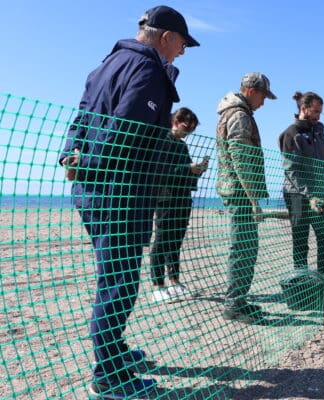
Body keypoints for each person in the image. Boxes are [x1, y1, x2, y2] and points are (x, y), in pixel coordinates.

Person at [58, 5, 199, 398]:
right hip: (122, 190)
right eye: (183, 44)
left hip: (90, 190)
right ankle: (109, 377)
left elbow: (81, 116)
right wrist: (91, 160)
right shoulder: (148, 69)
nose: (183, 52)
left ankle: (115, 352)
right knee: (118, 282)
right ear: (166, 37)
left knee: (112, 276)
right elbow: (128, 129)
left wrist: (72, 155)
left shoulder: (105, 64)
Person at [278, 91, 324, 311]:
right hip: (297, 195)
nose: (319, 116)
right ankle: (301, 291)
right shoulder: (290, 134)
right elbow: (292, 170)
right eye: (316, 111)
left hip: (320, 193)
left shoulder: (320, 131)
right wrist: (309, 195)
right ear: (304, 108)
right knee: (301, 243)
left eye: (321, 112)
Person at [216, 72, 276, 323]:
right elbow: (240, 160)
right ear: (252, 91)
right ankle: (234, 305)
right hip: (240, 193)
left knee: (247, 249)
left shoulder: (236, 113)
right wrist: (253, 200)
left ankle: (240, 300)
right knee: (243, 249)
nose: (263, 103)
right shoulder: (239, 116)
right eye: (263, 97)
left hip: (239, 191)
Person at [150, 107, 208, 303]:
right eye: (186, 127)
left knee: (176, 241)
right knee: (161, 240)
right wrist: (187, 168)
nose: (188, 132)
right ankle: (158, 285)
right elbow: (162, 172)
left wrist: (197, 170)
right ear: (175, 121)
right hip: (165, 197)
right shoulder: (161, 141)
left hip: (183, 198)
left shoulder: (182, 146)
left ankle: (175, 281)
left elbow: (184, 172)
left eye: (191, 129)